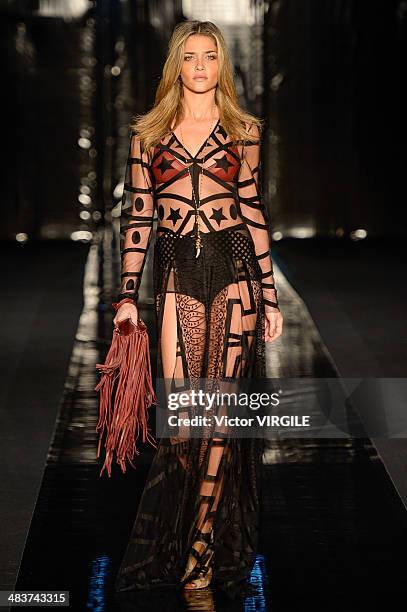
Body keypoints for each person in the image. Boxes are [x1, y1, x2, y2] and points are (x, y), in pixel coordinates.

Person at [113, 20, 283, 598]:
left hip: (233, 271)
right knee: (184, 424)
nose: (201, 67)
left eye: (211, 56)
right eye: (190, 57)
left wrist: (270, 294)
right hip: (178, 274)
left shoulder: (244, 131)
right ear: (176, 66)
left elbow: (254, 211)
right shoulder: (148, 134)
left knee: (219, 424)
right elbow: (138, 215)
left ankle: (201, 550)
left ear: (222, 65)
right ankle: (181, 531)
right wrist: (127, 296)